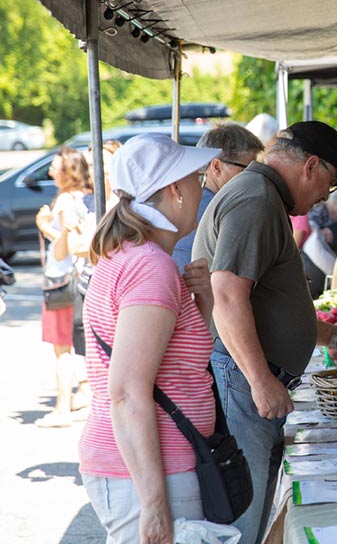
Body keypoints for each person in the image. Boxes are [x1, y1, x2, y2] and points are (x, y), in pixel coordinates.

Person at [192, 120, 337, 544]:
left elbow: (271, 303)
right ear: (311, 166)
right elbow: (226, 296)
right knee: (241, 521)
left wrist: (333, 335)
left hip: (247, 379)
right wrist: (261, 381)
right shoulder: (256, 200)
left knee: (252, 514)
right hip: (242, 381)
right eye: (329, 185)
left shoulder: (264, 197)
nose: (323, 198)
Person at [79, 133, 221, 543]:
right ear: (175, 189)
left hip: (155, 466)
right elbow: (125, 391)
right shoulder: (150, 267)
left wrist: (204, 301)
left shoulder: (140, 257)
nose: (203, 186)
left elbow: (182, 362)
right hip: (147, 474)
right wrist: (155, 505)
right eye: (197, 177)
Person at [53, 139, 123, 418]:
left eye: (101, 163)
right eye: (91, 164)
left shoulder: (124, 202)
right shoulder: (86, 202)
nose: (95, 170)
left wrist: (91, 242)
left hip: (115, 293)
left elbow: (95, 247)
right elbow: (70, 249)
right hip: (88, 289)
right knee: (97, 363)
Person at [34, 147, 92, 428]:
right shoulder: (84, 198)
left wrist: (45, 227)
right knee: (79, 344)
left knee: (62, 350)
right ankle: (83, 393)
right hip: (76, 281)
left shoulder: (65, 200)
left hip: (62, 281)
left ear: (68, 171)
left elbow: (68, 245)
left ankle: (62, 408)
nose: (50, 172)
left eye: (55, 167)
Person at [172, 124, 263, 271]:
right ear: (217, 167)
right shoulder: (226, 211)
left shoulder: (191, 205)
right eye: (247, 169)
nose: (254, 176)